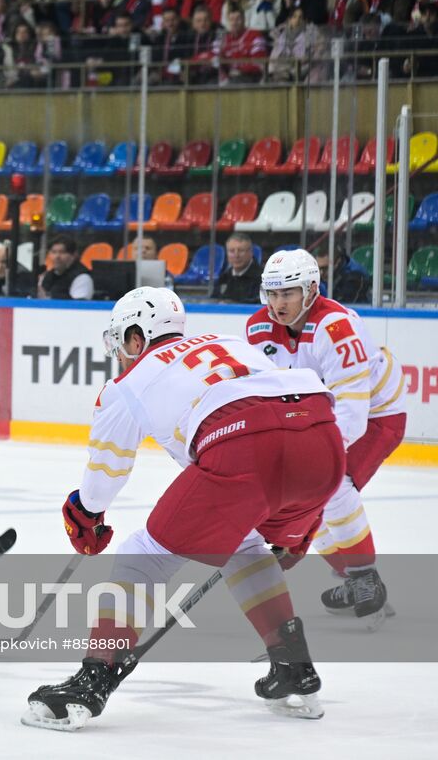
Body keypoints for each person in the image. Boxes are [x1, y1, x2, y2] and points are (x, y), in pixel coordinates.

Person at [24, 287, 343, 731]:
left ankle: (92, 680)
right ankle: (293, 666)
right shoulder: (231, 342)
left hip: (245, 444)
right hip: (323, 438)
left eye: (121, 344)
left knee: (142, 555)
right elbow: (290, 418)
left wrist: (86, 514)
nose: (120, 356)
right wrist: (300, 523)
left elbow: (106, 471)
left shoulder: (129, 383)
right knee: (245, 542)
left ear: (137, 339)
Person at [245, 250, 406, 625]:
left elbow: (352, 415)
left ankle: (367, 579)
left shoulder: (337, 328)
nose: (278, 303)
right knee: (301, 502)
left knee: (332, 487)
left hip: (378, 414)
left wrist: (309, 460)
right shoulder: (257, 329)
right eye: (272, 293)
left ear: (311, 290)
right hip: (315, 415)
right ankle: (355, 580)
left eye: (287, 294)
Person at [37, 235, 93, 299]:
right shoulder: (48, 275)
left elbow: (77, 306)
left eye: (62, 252)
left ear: (73, 255)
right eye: (53, 252)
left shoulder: (82, 277)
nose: (57, 256)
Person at [212, 232, 262, 302]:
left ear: (250, 252)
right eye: (232, 251)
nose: (236, 255)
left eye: (241, 250)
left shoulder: (262, 279)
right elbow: (213, 303)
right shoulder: (223, 278)